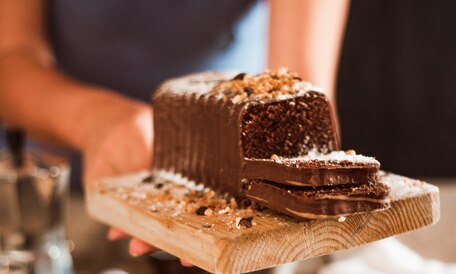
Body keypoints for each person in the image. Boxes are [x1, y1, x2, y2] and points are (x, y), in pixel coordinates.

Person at [0, 0, 350, 255]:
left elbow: (301, 98)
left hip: (232, 181)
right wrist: (94, 120)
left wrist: (260, 183)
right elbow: (10, 57)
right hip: (54, 199)